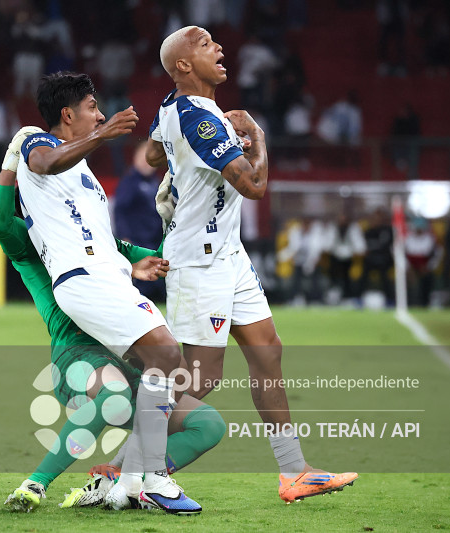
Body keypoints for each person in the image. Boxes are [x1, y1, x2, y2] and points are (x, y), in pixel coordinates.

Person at [146, 26, 358, 503]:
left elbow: (151, 151)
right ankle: (128, 467)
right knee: (203, 374)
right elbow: (255, 186)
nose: (219, 48)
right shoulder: (201, 121)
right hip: (199, 259)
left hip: (228, 254)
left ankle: (294, 472)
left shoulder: (173, 108)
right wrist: (257, 137)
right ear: (183, 66)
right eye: (204, 44)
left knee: (267, 350)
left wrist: (177, 165)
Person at [0, 129, 224, 512]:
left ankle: (124, 478)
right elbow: (0, 222)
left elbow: (157, 258)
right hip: (77, 356)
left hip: (125, 354)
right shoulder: (26, 240)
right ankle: (35, 484)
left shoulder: (92, 239)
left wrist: (176, 219)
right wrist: (11, 162)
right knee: (114, 395)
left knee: (209, 423)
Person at [114, 141, 164, 301]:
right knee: (138, 290)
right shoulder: (130, 182)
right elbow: (120, 210)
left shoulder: (157, 183)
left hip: (153, 243)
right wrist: (124, 237)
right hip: (137, 244)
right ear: (135, 158)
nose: (145, 162)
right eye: (142, 157)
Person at [357, 208, 395, 306]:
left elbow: (386, 246)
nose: (376, 220)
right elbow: (365, 246)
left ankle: (390, 300)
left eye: (379, 217)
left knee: (386, 278)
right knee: (362, 276)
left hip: (384, 259)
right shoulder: (368, 231)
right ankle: (359, 298)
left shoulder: (388, 230)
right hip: (371, 259)